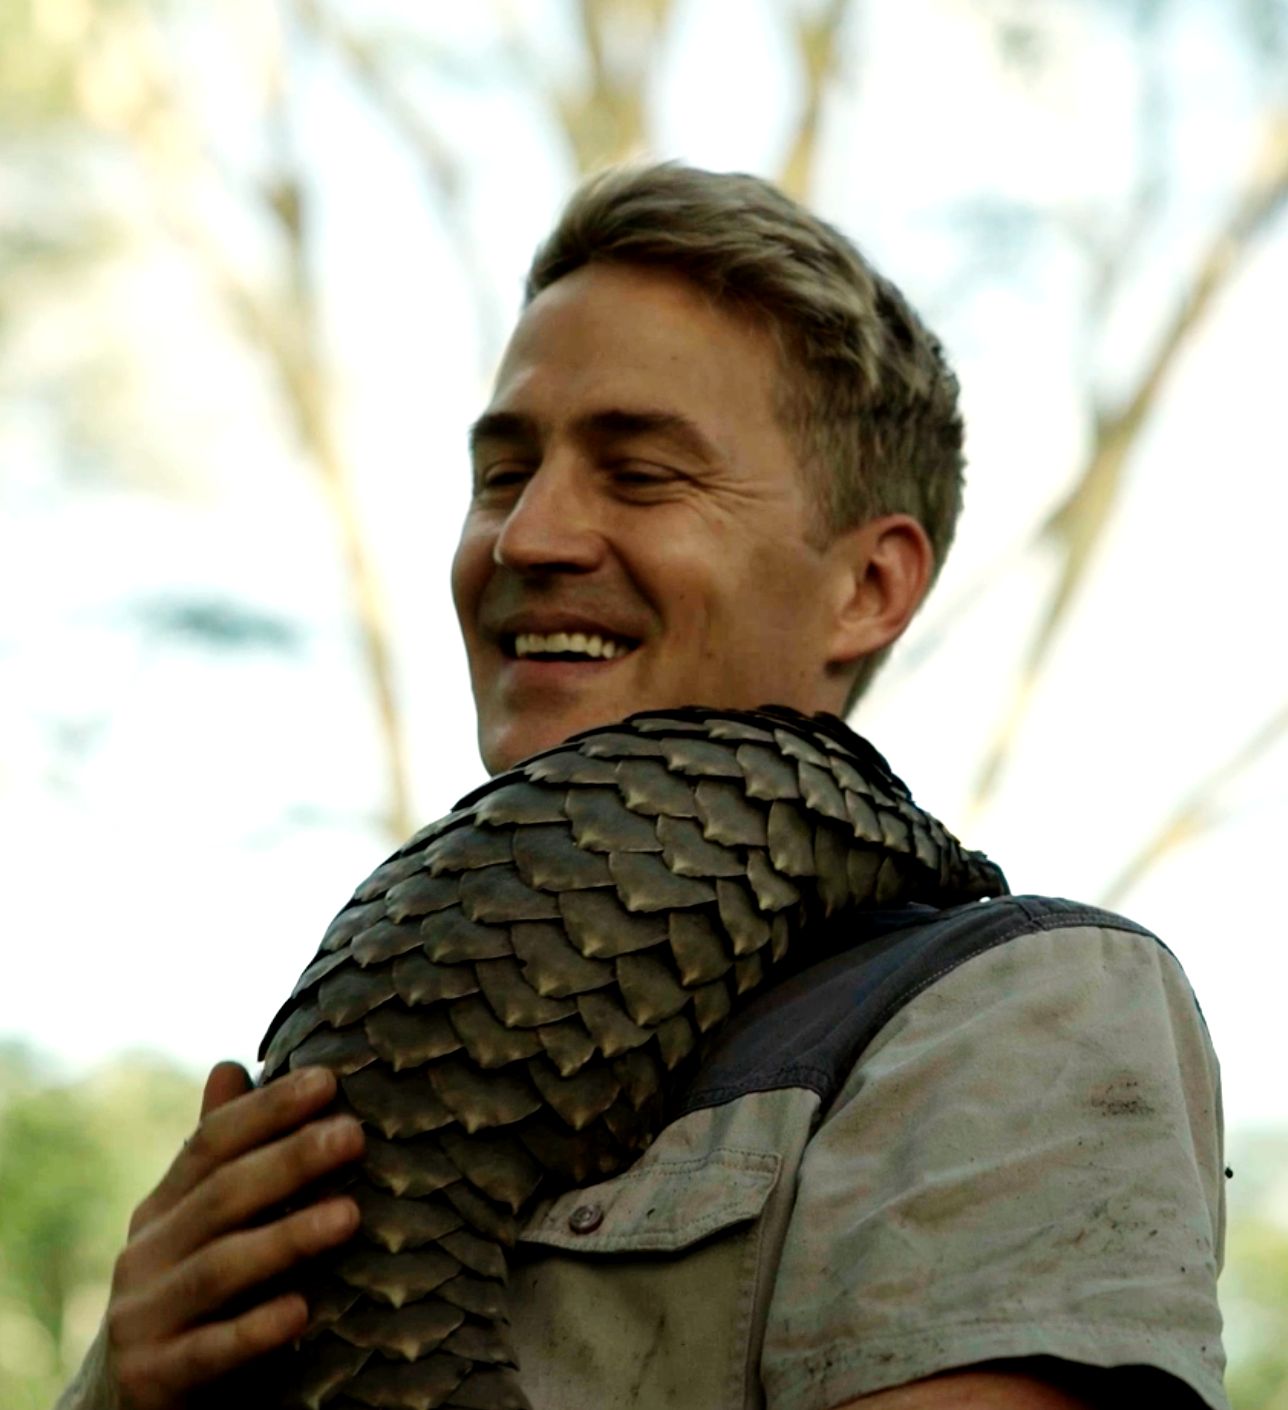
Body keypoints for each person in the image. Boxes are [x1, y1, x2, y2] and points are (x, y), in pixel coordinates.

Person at [59, 164, 1227, 1410]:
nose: (527, 536)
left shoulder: (1011, 1008)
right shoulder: (394, 995)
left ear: (867, 586)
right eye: (502, 476)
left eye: (641, 475)